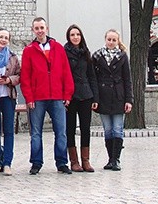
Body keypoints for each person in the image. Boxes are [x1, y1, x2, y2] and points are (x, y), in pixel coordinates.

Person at [20, 17, 74, 175]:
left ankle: (62, 162)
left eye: (42, 27)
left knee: (61, 131)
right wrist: (29, 98)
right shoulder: (29, 50)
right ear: (33, 30)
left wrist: (67, 94)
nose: (40, 31)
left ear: (47, 28)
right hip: (38, 97)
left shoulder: (58, 48)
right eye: (36, 28)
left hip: (57, 96)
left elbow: (66, 72)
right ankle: (36, 162)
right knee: (36, 133)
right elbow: (26, 77)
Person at [92, 29, 133, 171]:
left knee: (118, 129)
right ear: (105, 39)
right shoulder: (97, 56)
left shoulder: (122, 56)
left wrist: (129, 100)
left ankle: (116, 160)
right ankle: (110, 159)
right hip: (103, 97)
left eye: (114, 40)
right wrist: (95, 98)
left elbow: (128, 80)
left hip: (118, 97)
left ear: (117, 41)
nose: (111, 42)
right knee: (108, 130)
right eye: (109, 39)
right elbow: (94, 79)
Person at [64, 25, 98, 173]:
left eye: (78, 34)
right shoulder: (64, 53)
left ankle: (86, 160)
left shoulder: (86, 53)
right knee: (70, 128)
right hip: (70, 96)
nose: (75, 37)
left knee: (85, 128)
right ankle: (74, 161)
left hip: (86, 95)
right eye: (72, 35)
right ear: (69, 37)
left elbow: (92, 76)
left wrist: (95, 97)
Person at [0, 28, 20, 176]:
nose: (3, 40)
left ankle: (7, 162)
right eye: (1, 37)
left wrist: (8, 80)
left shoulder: (12, 57)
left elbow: (19, 75)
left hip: (8, 96)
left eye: (6, 38)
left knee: (8, 130)